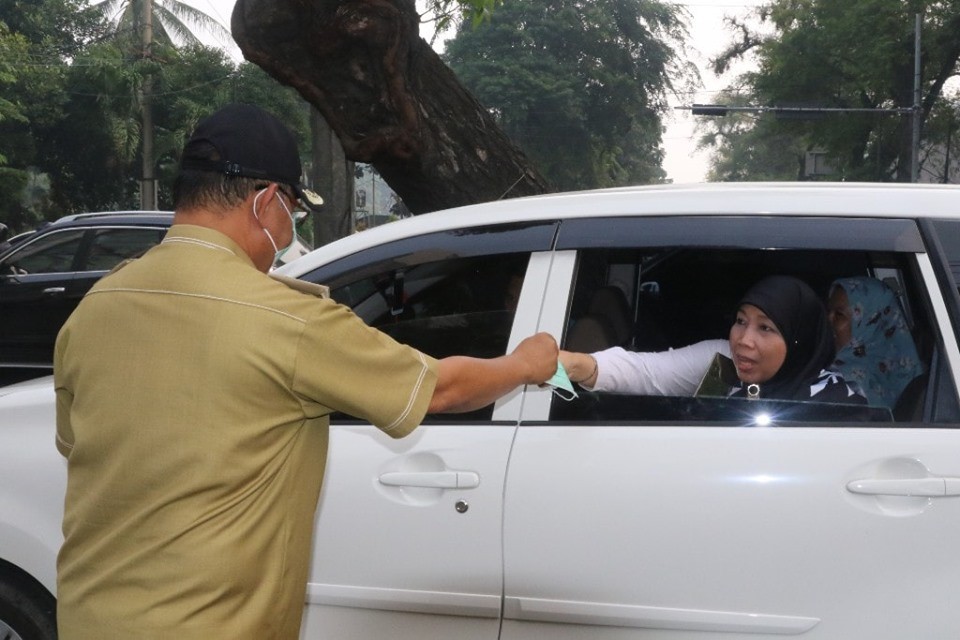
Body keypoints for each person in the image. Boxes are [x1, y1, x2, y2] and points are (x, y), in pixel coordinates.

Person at [53, 103, 558, 640]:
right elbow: (442, 389)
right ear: (266, 200)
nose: (288, 229)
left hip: (88, 618)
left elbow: (78, 444)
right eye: (292, 213)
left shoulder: (95, 307)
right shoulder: (284, 318)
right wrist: (527, 363)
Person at [560, 275, 865, 404]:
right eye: (741, 321)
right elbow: (645, 373)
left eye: (766, 328)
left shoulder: (837, 407)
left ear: (799, 340)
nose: (743, 340)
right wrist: (571, 366)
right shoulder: (724, 363)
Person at [827, 276, 924, 409]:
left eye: (839, 315)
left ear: (868, 322)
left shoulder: (848, 380)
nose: (827, 320)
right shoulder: (901, 371)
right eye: (828, 311)